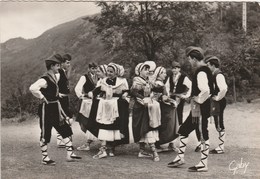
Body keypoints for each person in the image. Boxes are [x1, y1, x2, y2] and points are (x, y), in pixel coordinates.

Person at [167, 46, 214, 172]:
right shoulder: (206, 70)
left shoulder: (201, 71)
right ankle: (180, 157)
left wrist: (198, 99)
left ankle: (203, 164)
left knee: (203, 133)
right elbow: (208, 89)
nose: (189, 62)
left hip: (200, 108)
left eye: (190, 59)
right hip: (198, 108)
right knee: (183, 130)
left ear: (193, 58)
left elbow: (206, 90)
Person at [29, 54, 81, 166]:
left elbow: (54, 89)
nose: (59, 67)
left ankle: (70, 154)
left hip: (56, 107)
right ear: (52, 66)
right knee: (46, 132)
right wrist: (42, 97)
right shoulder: (45, 79)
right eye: (57, 66)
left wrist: (57, 94)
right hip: (46, 109)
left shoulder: (55, 76)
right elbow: (33, 88)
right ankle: (45, 157)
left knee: (64, 128)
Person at [88, 63, 130, 159]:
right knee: (105, 126)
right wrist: (92, 93)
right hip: (106, 106)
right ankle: (103, 147)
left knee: (114, 126)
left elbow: (126, 91)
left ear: (116, 72)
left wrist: (125, 94)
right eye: (108, 71)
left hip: (116, 106)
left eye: (111, 72)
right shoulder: (103, 81)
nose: (109, 73)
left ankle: (112, 147)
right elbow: (98, 90)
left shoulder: (121, 82)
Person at [131, 62, 161, 162]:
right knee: (145, 127)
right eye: (145, 69)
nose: (147, 71)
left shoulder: (147, 80)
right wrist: (143, 98)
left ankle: (142, 150)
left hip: (147, 106)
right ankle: (154, 151)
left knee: (148, 126)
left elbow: (153, 88)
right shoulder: (137, 80)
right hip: (140, 107)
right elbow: (134, 92)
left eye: (148, 69)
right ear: (139, 71)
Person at [151, 67, 179, 153]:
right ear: (159, 74)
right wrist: (172, 101)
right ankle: (159, 143)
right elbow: (161, 97)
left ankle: (170, 143)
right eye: (163, 73)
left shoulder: (160, 83)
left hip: (162, 106)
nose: (165, 74)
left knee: (169, 123)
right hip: (161, 107)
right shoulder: (158, 84)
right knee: (167, 124)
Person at [165, 61, 191, 151]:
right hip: (172, 100)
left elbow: (190, 87)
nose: (174, 70)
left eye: (176, 68)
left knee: (179, 119)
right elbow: (167, 87)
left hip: (179, 99)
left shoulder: (184, 77)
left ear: (179, 69)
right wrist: (168, 95)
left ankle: (174, 142)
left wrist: (185, 96)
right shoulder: (170, 77)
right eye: (173, 68)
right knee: (171, 119)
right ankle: (170, 142)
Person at [205, 56, 228, 154]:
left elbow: (223, 88)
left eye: (208, 65)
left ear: (213, 65)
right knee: (217, 121)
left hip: (219, 101)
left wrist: (218, 97)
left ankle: (221, 147)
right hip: (216, 101)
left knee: (219, 123)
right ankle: (220, 145)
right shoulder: (214, 74)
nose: (207, 67)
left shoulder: (218, 75)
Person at [75, 62, 98, 151]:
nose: (94, 70)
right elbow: (77, 88)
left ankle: (89, 141)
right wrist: (81, 96)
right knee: (83, 122)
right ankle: (90, 138)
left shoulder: (98, 77)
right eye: (92, 68)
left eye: (96, 68)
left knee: (92, 121)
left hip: (95, 101)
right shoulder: (84, 77)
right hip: (86, 101)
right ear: (89, 69)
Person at [56, 53, 73, 148]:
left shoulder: (63, 71)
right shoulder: (59, 72)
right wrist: (57, 94)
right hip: (61, 98)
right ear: (62, 63)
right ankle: (61, 140)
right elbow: (54, 84)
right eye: (67, 63)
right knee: (63, 117)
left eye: (69, 63)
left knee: (66, 117)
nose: (68, 65)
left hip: (65, 97)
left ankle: (63, 139)